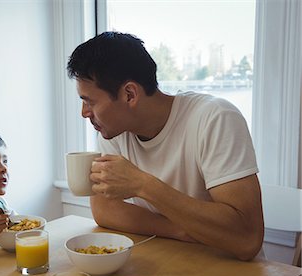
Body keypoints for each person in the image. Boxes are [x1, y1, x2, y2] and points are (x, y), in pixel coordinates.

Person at [67, 31, 264, 261]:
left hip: (233, 275)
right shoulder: (116, 131)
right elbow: (104, 209)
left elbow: (247, 239)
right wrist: (179, 228)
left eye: (89, 101)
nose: (84, 113)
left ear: (129, 94)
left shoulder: (215, 118)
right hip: (174, 263)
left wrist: (143, 185)